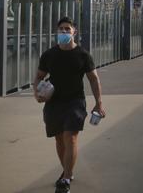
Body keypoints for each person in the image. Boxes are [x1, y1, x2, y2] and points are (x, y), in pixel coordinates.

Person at [33, 16, 106, 193]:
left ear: (74, 32)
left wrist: (99, 103)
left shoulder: (83, 55)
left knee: (70, 137)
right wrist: (37, 93)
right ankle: (67, 171)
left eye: (67, 29)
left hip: (75, 102)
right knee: (59, 139)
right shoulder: (49, 55)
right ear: (57, 32)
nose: (64, 32)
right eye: (61, 29)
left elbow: (94, 80)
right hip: (53, 103)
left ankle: (65, 179)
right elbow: (39, 77)